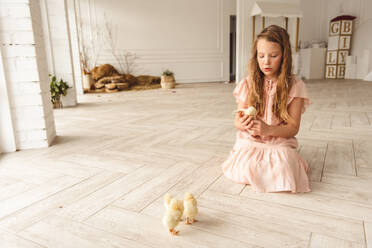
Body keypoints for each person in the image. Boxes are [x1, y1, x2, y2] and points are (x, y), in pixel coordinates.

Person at [221, 25, 311, 193]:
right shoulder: (248, 83)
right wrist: (243, 123)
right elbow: (237, 122)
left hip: (278, 141)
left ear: (284, 56)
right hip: (252, 141)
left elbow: (293, 128)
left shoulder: (295, 86)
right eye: (261, 56)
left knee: (284, 164)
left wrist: (268, 129)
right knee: (246, 162)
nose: (266, 62)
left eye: (273, 56)